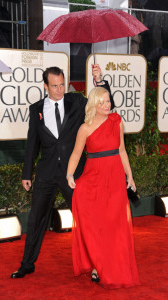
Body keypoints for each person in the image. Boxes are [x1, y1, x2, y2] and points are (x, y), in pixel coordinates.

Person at [11, 64, 113, 279]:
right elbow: (32, 143)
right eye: (54, 86)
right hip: (46, 172)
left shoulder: (76, 102)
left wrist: (99, 81)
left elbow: (103, 104)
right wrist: (26, 173)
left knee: (86, 219)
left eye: (62, 85)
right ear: (45, 86)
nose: (59, 90)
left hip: (73, 174)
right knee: (36, 219)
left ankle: (98, 265)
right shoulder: (36, 109)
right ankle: (27, 264)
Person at [67, 87, 140, 288]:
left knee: (115, 224)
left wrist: (130, 176)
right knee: (96, 224)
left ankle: (109, 264)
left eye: (108, 101)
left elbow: (122, 151)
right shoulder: (85, 128)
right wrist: (70, 174)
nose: (107, 105)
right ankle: (97, 264)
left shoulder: (117, 122)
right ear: (94, 105)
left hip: (115, 178)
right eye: (102, 102)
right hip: (94, 178)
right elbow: (75, 154)